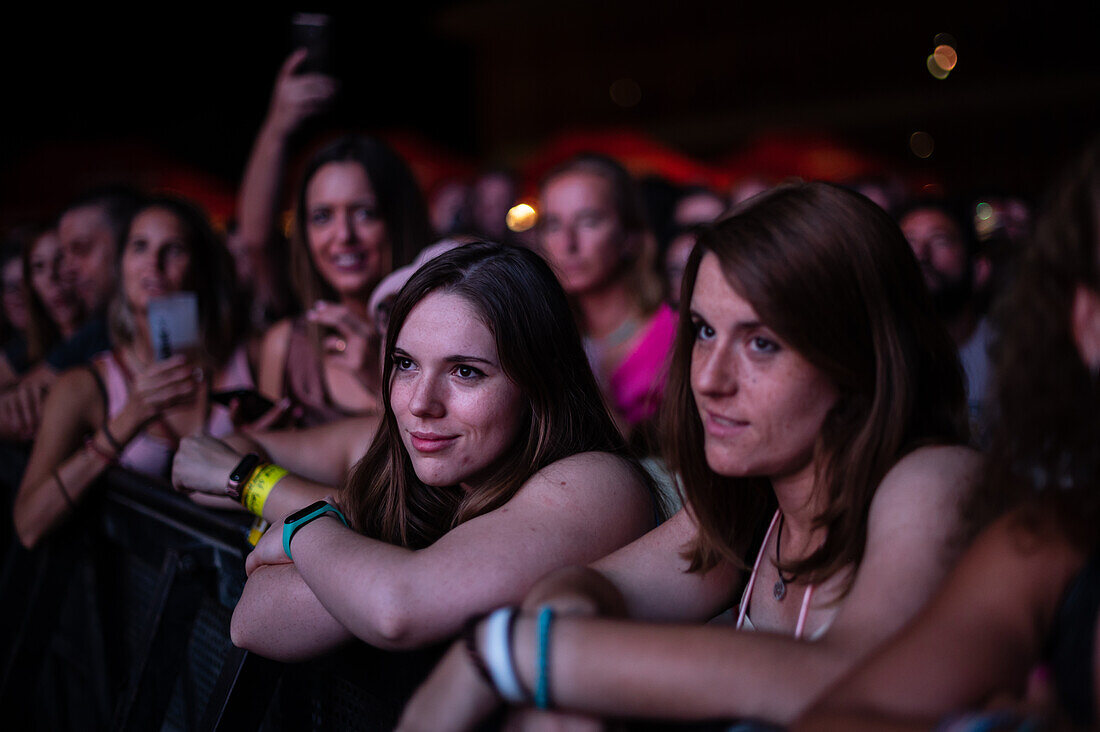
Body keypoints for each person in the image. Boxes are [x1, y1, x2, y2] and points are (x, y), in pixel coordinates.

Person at [398, 182, 979, 730]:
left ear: (859, 354)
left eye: (761, 343)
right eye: (703, 331)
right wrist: (546, 651)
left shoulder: (933, 478)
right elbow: (590, 586)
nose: (710, 379)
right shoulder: (756, 501)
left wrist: (519, 653)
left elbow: (854, 679)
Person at [795, 141, 1100, 731]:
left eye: (940, 242)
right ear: (1087, 325)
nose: (715, 379)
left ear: (978, 266)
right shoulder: (1052, 541)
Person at [229, 242, 658, 660]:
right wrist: (380, 571)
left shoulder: (598, 482)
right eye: (406, 364)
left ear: (539, 382)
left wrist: (306, 525)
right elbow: (252, 620)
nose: (420, 403)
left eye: (465, 371)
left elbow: (397, 609)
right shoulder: (423, 478)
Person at [12, 195, 249, 549]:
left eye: (173, 249)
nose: (153, 263)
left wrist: (268, 442)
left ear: (200, 268)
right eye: (140, 247)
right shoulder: (85, 386)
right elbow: (29, 525)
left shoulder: (246, 361)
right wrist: (128, 419)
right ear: (121, 267)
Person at [255, 134, 432, 427]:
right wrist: (256, 447)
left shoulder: (443, 331)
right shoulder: (284, 345)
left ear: (398, 221)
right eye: (322, 216)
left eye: (365, 213)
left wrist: (380, 385)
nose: (344, 235)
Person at [537, 153, 676, 435]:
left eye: (588, 221)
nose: (567, 243)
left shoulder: (675, 333)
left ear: (630, 236)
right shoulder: (543, 336)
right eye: (553, 225)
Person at [0, 188, 143, 440]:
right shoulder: (96, 329)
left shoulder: (112, 329)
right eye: (38, 267)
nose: (65, 271)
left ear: (126, 245)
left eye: (81, 249)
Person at [898, 199, 993, 436]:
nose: (920, 254)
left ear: (979, 269)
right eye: (907, 243)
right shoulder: (875, 358)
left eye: (940, 241)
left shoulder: (1015, 354)